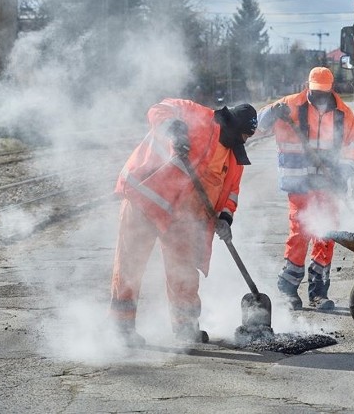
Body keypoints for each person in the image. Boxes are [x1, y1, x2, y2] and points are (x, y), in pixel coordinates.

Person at [109, 99, 258, 347]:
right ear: (232, 126)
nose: (244, 141)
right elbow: (158, 109)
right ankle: (122, 329)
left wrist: (224, 217)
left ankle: (186, 330)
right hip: (144, 201)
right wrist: (173, 127)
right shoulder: (195, 115)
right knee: (130, 268)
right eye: (243, 135)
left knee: (185, 274)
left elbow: (231, 192)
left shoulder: (233, 158)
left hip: (183, 219)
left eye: (247, 137)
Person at [257, 67, 354, 311]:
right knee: (299, 234)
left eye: (323, 93)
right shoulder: (289, 105)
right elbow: (259, 124)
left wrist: (342, 173)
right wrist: (272, 112)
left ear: (331, 89)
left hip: (328, 185)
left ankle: (319, 293)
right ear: (308, 86)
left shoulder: (344, 114)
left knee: (326, 236)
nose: (319, 97)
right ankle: (288, 291)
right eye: (315, 92)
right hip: (299, 183)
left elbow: (352, 148)